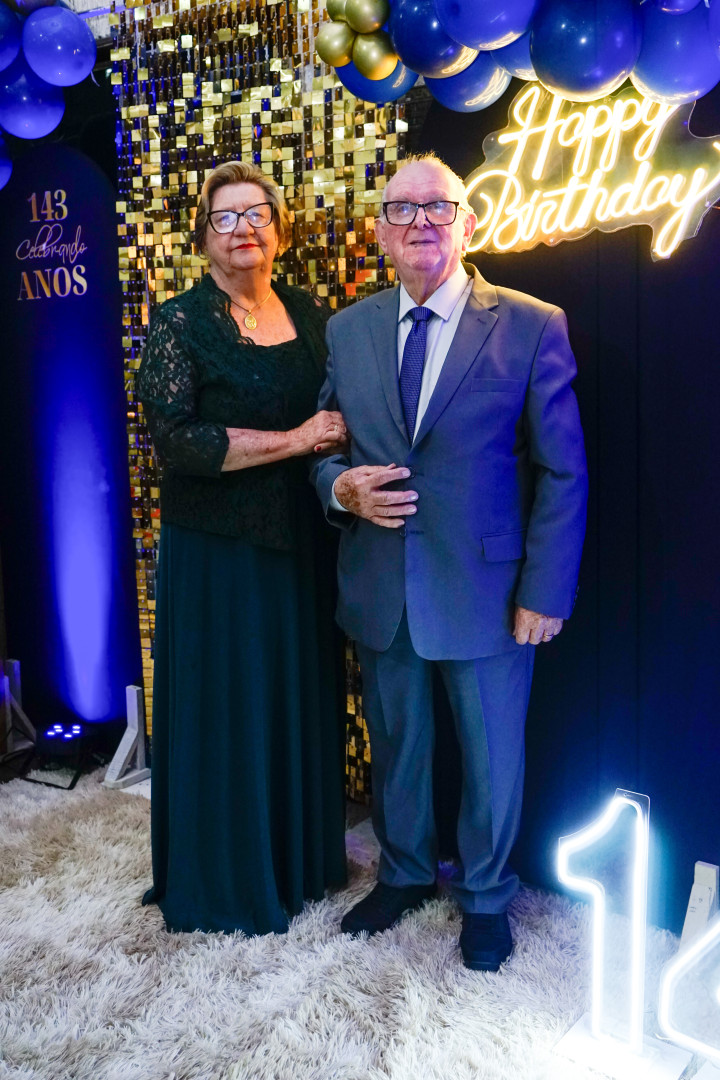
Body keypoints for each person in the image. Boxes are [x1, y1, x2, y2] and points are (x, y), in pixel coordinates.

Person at [310, 153, 588, 971]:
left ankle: (488, 896)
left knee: (492, 757)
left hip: (490, 591)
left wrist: (545, 590)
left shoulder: (533, 324)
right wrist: (338, 489)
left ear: (468, 224)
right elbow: (326, 443)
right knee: (396, 744)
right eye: (403, 209)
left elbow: (563, 471)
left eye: (439, 207)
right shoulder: (348, 330)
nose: (421, 221)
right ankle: (402, 873)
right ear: (380, 232)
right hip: (379, 582)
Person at [137, 161, 349, 935]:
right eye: (224, 218)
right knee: (229, 710)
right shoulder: (180, 323)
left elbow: (343, 414)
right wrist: (296, 439)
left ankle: (298, 863)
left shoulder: (314, 315)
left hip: (302, 541)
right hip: (217, 552)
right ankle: (227, 880)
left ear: (279, 228)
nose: (243, 229)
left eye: (256, 213)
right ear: (204, 238)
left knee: (292, 697)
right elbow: (178, 443)